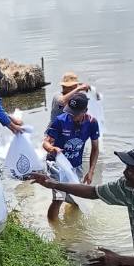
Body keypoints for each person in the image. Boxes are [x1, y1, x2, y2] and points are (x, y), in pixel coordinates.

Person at [42, 91, 100, 219]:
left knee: (77, 199)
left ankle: (72, 229)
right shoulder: (60, 121)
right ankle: (56, 232)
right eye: (70, 111)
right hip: (56, 163)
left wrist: (91, 171)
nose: (71, 116)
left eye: (75, 114)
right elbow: (45, 143)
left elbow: (95, 149)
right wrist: (52, 149)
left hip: (75, 166)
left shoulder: (92, 123)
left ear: (85, 110)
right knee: (58, 198)